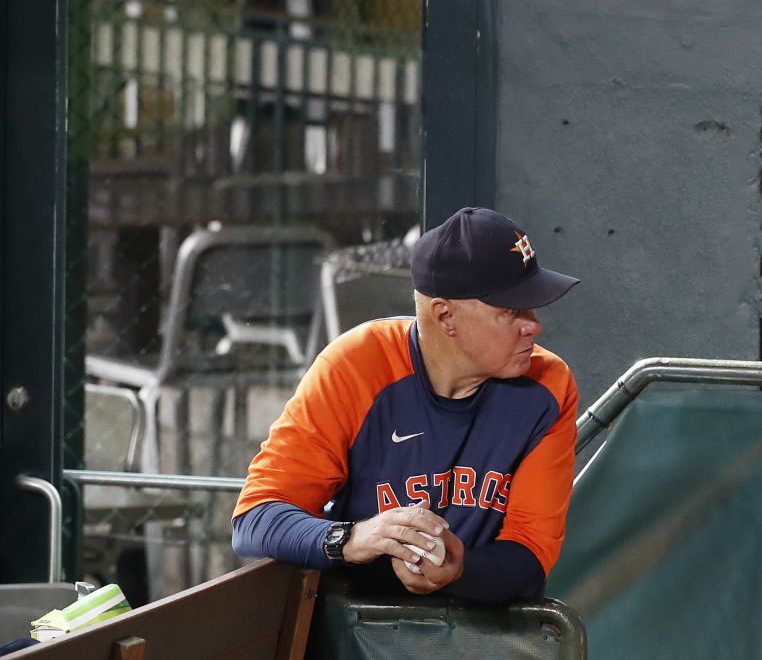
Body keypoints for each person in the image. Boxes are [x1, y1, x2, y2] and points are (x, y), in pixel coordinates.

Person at [232, 207, 581, 602]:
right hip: (354, 629)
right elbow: (256, 519)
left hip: (481, 641)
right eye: (511, 310)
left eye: (531, 306)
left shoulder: (548, 385)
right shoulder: (357, 365)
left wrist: (459, 569)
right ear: (446, 316)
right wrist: (352, 538)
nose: (533, 324)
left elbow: (531, 555)